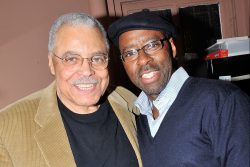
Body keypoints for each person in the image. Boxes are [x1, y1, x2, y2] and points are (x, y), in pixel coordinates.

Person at [108, 10, 250, 167]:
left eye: (152, 45)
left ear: (172, 48)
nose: (143, 60)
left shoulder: (222, 101)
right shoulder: (136, 119)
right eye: (130, 53)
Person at [0, 12, 142, 167]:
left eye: (97, 58)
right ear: (51, 63)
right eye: (72, 59)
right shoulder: (6, 128)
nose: (87, 71)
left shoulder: (130, 101)